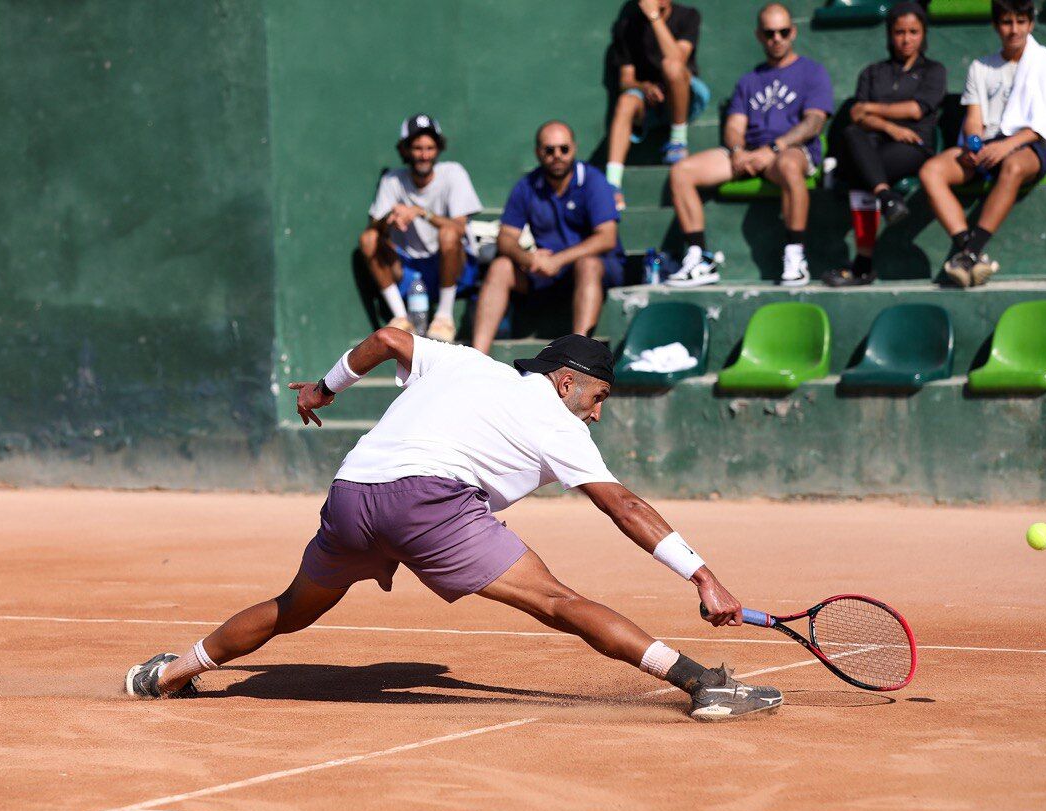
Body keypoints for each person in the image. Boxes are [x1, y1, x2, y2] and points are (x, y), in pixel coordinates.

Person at [125, 330, 783, 723]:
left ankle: (170, 672)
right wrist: (703, 575)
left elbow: (385, 340)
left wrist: (325, 388)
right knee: (561, 602)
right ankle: (703, 684)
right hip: (431, 501)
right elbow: (626, 506)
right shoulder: (556, 420)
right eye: (599, 398)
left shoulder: (466, 362)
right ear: (565, 382)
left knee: (292, 608)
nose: (598, 414)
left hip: (354, 493)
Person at [917, 0, 1046, 288]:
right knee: (931, 171)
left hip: (1029, 146)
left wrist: (1007, 145)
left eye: (1021, 22)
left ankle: (970, 252)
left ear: (1031, 24)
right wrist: (974, 144)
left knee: (1012, 165)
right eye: (1008, 22)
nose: (1015, 30)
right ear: (996, 26)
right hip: (987, 146)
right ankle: (969, 251)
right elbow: (974, 119)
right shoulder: (980, 66)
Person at [665, 3, 832, 288]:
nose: (776, 38)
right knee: (681, 171)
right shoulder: (749, 80)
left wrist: (775, 149)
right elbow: (734, 126)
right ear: (759, 35)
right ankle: (699, 258)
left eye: (782, 32)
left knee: (790, 165)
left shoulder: (812, 72)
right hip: (749, 153)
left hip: (787, 152)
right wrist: (739, 151)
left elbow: (814, 123)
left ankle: (795, 256)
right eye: (769, 33)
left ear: (792, 32)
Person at [472, 121, 627, 355]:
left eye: (564, 149)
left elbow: (606, 238)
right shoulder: (527, 186)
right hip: (546, 274)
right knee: (501, 266)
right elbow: (505, 238)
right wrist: (527, 257)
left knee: (588, 264)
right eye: (549, 150)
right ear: (538, 152)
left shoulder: (594, 181)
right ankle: (476, 357)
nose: (557, 156)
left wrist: (559, 260)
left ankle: (577, 353)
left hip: (598, 271)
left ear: (574, 148)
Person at [823, 2, 946, 288]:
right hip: (872, 146)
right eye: (899, 32)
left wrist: (873, 111)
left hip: (913, 147)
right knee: (853, 135)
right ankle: (886, 196)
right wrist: (890, 126)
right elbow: (856, 114)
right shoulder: (872, 72)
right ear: (890, 35)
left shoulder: (934, 71)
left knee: (859, 172)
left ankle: (862, 266)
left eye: (913, 32)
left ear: (923, 34)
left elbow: (917, 110)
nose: (906, 39)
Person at [360, 114, 483, 341]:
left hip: (453, 268)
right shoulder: (392, 180)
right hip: (409, 271)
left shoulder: (453, 173)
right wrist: (390, 217)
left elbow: (458, 228)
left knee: (448, 234)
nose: (424, 155)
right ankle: (401, 318)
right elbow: (374, 229)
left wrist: (420, 212)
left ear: (438, 149)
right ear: (405, 150)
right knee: (369, 238)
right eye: (417, 148)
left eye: (429, 147)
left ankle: (444, 318)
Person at [605, 0, 708, 209]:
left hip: (686, 97)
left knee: (671, 66)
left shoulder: (689, 16)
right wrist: (644, 88)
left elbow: (677, 60)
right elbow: (626, 80)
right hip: (649, 101)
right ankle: (611, 185)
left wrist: (655, 18)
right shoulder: (626, 26)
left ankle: (678, 141)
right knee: (625, 101)